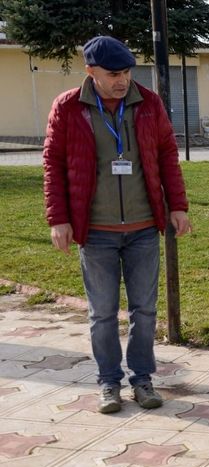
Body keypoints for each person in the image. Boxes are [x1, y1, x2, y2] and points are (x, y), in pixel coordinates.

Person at [43, 36, 191, 414]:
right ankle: (109, 382)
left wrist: (178, 205)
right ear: (90, 71)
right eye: (113, 74)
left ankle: (142, 379)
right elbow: (53, 165)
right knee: (103, 313)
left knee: (144, 311)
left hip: (143, 228)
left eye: (126, 71)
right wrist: (58, 218)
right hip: (96, 232)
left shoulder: (148, 103)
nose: (122, 80)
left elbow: (167, 156)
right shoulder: (68, 107)